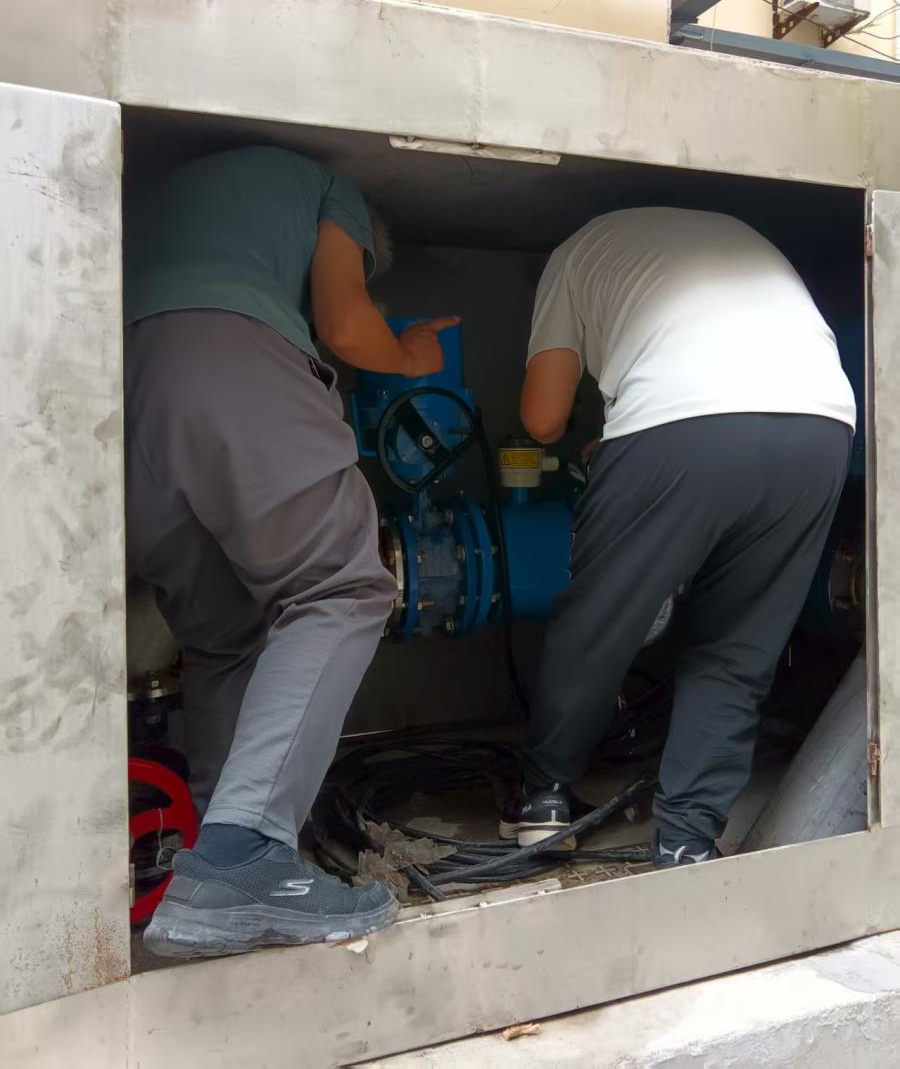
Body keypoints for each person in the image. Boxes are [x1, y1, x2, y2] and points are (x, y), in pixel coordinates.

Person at [125, 145, 458, 956]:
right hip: (228, 363)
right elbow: (345, 321)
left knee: (225, 640)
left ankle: (218, 875)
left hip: (123, 398)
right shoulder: (330, 190)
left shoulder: (171, 195)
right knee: (343, 589)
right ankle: (245, 856)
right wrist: (410, 355)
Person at [501, 207, 855, 867]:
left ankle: (544, 797)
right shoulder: (737, 232)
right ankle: (687, 838)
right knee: (736, 647)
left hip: (678, 415)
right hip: (821, 421)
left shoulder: (574, 254)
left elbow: (543, 418)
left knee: (599, 622)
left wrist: (620, 444)